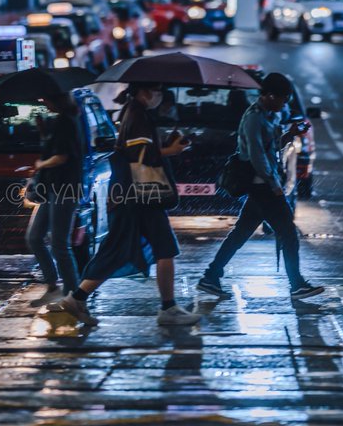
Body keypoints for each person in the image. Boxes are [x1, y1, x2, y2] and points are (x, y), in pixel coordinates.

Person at [47, 82, 198, 326]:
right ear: (140, 91)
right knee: (164, 248)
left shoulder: (134, 112)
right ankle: (169, 309)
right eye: (154, 89)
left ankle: (78, 298)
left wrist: (164, 144)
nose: (157, 94)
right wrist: (170, 150)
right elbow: (140, 154)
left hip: (131, 195)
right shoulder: (137, 114)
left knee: (118, 251)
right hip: (142, 194)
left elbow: (141, 148)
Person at [196, 72, 324, 301]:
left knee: (241, 234)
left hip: (262, 186)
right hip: (262, 185)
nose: (284, 104)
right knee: (288, 234)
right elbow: (257, 156)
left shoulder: (267, 115)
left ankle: (211, 276)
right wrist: (274, 185)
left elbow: (272, 146)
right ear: (270, 95)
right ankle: (296, 284)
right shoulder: (254, 118)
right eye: (283, 99)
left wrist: (290, 135)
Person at [26, 91, 85, 298]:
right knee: (34, 237)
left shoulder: (66, 122)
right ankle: (51, 280)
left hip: (64, 189)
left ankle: (72, 293)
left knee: (60, 244)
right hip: (52, 189)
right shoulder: (59, 121)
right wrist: (43, 132)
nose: (43, 100)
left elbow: (61, 156)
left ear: (57, 99)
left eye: (46, 98)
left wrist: (42, 164)